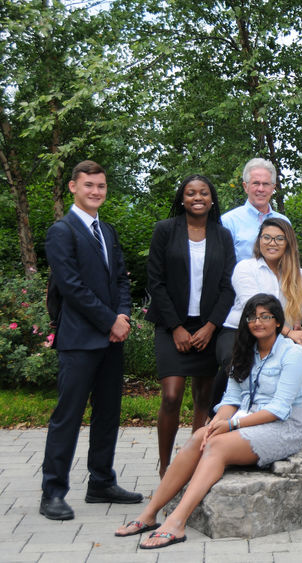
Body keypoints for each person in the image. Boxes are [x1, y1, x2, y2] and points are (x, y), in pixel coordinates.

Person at [115, 294, 302, 548]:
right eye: (252, 317)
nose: (257, 322)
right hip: (247, 420)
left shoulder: (290, 354)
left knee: (216, 446)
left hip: (282, 427)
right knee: (200, 437)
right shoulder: (244, 351)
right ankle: (149, 514)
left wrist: (230, 426)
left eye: (265, 317)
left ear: (277, 321)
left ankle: (176, 521)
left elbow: (279, 409)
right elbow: (232, 398)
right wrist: (217, 423)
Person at [40, 160, 142, 520]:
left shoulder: (108, 231)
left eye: (101, 186)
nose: (96, 191)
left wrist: (124, 315)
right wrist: (110, 320)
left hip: (112, 341)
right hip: (80, 340)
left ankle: (101, 482)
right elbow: (71, 288)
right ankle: (52, 492)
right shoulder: (62, 231)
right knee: (67, 417)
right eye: (89, 185)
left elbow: (121, 280)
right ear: (73, 187)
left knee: (108, 414)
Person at [145, 174, 236, 477]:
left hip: (208, 328)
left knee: (204, 399)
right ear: (181, 199)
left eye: (204, 193)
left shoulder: (222, 235)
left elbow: (227, 286)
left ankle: (192, 466)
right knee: (171, 395)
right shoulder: (165, 231)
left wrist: (211, 326)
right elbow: (155, 283)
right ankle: (165, 469)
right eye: (191, 193)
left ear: (212, 199)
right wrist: (175, 327)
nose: (198, 198)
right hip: (172, 326)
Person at [208, 218, 302, 414]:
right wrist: (289, 333)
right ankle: (214, 417)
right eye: (267, 237)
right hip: (240, 331)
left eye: (279, 238)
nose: (272, 243)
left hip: (277, 338)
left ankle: (266, 415)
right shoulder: (246, 268)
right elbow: (254, 308)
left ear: (288, 243)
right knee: (234, 360)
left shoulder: (301, 276)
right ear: (259, 241)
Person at [221, 158, 290, 262]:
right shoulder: (228, 221)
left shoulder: (284, 222)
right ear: (245, 187)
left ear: (273, 188)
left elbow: (290, 260)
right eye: (256, 183)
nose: (261, 189)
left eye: (266, 184)